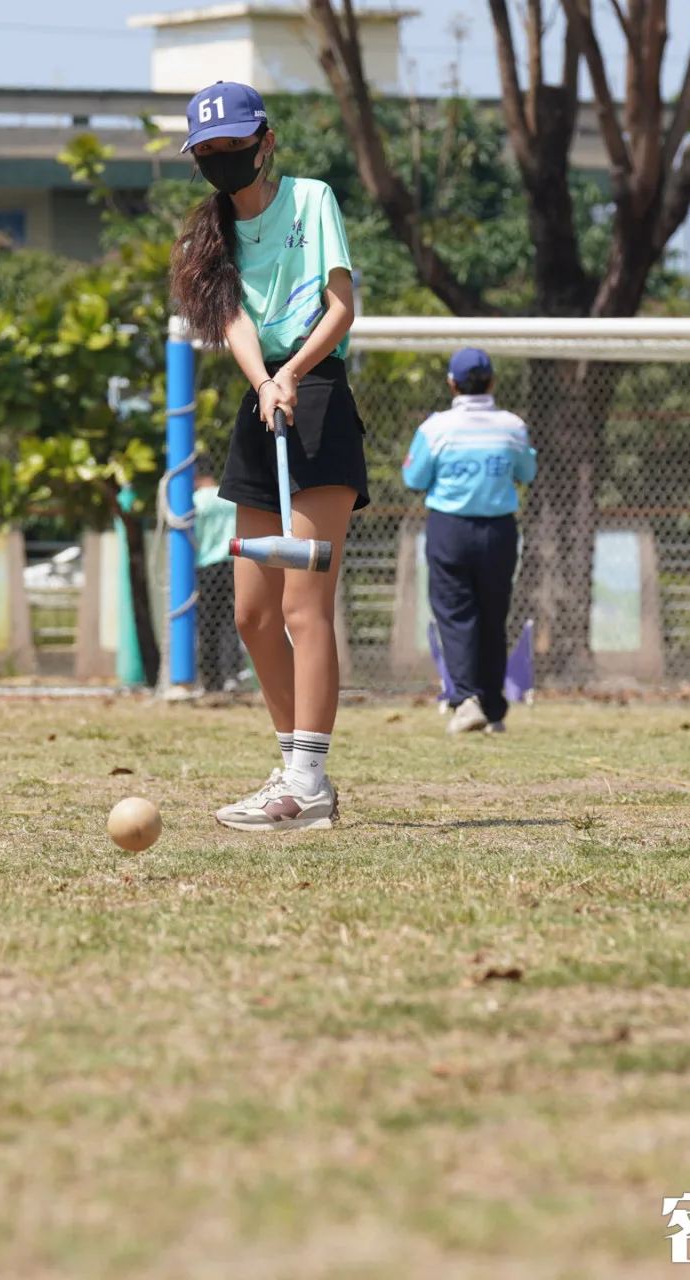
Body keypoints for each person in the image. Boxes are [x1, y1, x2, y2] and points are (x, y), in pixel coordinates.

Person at [170, 81, 367, 833]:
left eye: (235, 145)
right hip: (262, 404)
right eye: (209, 152)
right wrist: (262, 380)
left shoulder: (313, 201)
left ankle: (309, 781)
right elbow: (234, 321)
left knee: (301, 605)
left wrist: (292, 375)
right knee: (254, 613)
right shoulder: (206, 239)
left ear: (266, 141)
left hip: (316, 401)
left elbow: (340, 303)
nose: (225, 160)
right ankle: (293, 768)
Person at [402, 347, 537, 735]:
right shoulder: (513, 425)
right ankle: (494, 708)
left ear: (452, 384)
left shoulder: (435, 428)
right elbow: (527, 471)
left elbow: (414, 479)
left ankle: (465, 700)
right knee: (493, 617)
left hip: (450, 529)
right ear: (492, 382)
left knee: (456, 616)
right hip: (499, 531)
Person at [191, 470, 245, 693]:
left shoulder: (196, 501)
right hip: (233, 561)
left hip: (207, 563)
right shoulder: (230, 496)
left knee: (207, 623)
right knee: (231, 620)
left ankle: (211, 677)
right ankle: (232, 672)